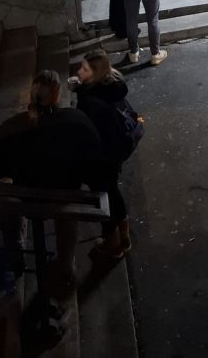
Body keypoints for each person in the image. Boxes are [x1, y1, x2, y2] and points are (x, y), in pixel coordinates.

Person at [0, 70, 101, 293]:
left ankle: (15, 251)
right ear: (56, 97)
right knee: (66, 212)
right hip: (63, 193)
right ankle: (65, 264)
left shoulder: (12, 127)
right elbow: (94, 158)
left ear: (32, 95)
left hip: (27, 195)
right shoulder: (75, 121)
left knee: (6, 195)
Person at [72, 50, 134, 260]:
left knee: (103, 199)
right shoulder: (110, 85)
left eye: (85, 69)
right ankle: (124, 236)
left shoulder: (91, 103)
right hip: (114, 154)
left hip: (101, 159)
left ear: (96, 74)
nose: (79, 71)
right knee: (113, 192)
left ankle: (113, 245)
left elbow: (88, 133)